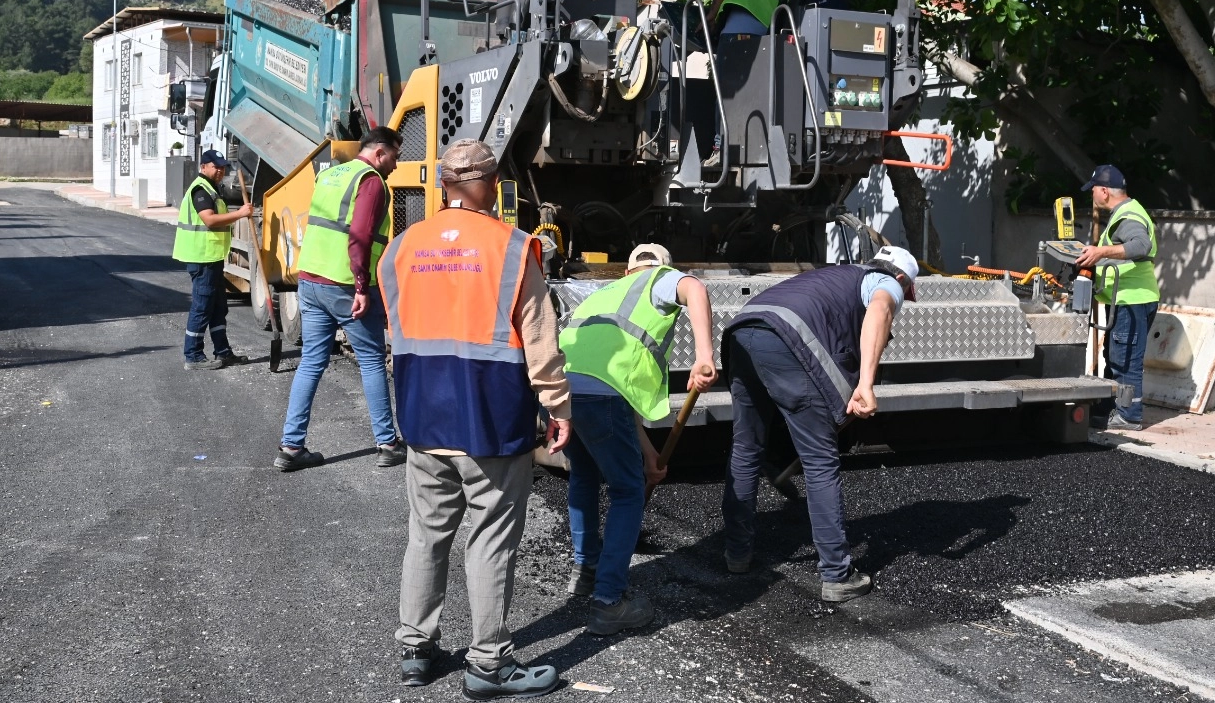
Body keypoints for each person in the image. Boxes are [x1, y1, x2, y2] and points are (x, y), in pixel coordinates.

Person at [380, 139, 572, 699]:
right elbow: (540, 342)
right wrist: (559, 408)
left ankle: (416, 648)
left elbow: (398, 332)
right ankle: (488, 663)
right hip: (489, 419)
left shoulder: (402, 247)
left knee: (427, 535)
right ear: (490, 185)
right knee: (488, 539)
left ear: (444, 185)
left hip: (422, 415)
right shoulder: (514, 248)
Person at [719, 245, 920, 602]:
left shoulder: (834, 275)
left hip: (743, 330)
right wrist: (866, 384)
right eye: (906, 291)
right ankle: (837, 575)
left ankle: (736, 554)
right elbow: (880, 311)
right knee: (820, 460)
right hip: (786, 338)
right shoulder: (884, 282)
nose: (903, 297)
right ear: (901, 278)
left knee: (747, 447)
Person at [557, 243, 718, 636]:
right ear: (660, 267)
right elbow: (695, 288)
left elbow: (617, 396)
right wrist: (704, 355)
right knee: (627, 491)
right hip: (601, 395)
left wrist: (648, 455)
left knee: (584, 476)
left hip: (567, 390)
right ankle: (609, 601)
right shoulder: (659, 280)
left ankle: (586, 570)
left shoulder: (603, 295)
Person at [275, 127, 406, 472]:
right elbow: (360, 234)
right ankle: (387, 443)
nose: (396, 165)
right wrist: (362, 285)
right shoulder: (372, 181)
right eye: (395, 156)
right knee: (372, 360)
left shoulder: (331, 173)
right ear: (380, 152)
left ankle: (291, 446)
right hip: (346, 285)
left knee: (311, 361)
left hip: (311, 279)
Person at [1075, 164, 1159, 432]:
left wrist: (1100, 253)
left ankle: (1129, 415)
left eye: (1093, 192)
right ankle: (1112, 408)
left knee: (1126, 360)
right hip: (1126, 300)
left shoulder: (1128, 216)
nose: (1093, 198)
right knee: (1116, 356)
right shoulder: (1126, 211)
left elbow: (1140, 245)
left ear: (1103, 191)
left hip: (1131, 300)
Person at [700, 0, 800, 166]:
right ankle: (751, 148)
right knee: (751, 95)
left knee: (724, 92)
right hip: (763, 40)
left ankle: (720, 149)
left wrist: (712, 13)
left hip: (735, 34)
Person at [173, 148, 252, 370]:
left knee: (218, 307)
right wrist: (240, 214)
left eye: (222, 166)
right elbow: (209, 220)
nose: (220, 170)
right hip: (202, 258)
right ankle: (193, 356)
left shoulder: (212, 189)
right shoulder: (201, 190)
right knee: (202, 307)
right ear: (203, 167)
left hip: (212, 257)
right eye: (215, 166)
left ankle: (223, 352)